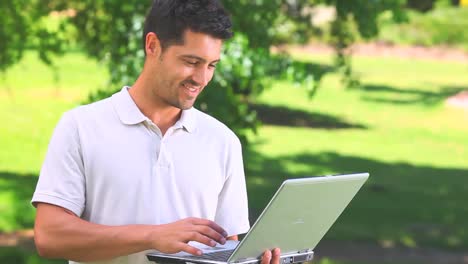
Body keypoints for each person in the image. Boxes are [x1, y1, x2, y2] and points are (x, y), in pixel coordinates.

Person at [31, 1, 280, 264]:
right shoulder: (80, 127)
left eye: (211, 65)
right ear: (153, 46)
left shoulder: (223, 141)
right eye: (192, 61)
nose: (202, 78)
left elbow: (224, 246)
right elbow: (50, 236)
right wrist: (152, 236)